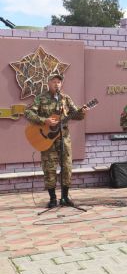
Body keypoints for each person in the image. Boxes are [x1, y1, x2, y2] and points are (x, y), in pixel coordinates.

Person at [25, 73, 88, 208]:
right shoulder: (40, 98)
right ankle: (53, 198)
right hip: (47, 140)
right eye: (54, 81)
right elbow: (28, 113)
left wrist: (82, 111)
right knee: (49, 169)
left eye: (59, 82)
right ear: (48, 83)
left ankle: (64, 197)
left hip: (64, 138)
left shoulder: (65, 98)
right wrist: (44, 120)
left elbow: (76, 115)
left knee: (67, 167)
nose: (57, 84)